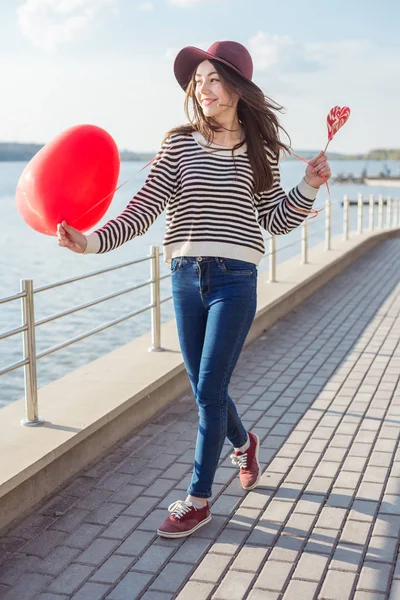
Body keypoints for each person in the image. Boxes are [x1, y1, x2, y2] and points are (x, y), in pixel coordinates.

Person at [57, 40, 331, 539]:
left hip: (236, 279)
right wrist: (92, 242)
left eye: (212, 78)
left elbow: (276, 218)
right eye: (197, 81)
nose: (202, 88)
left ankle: (198, 499)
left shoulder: (258, 150)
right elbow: (143, 209)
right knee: (207, 388)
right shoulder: (179, 144)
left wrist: (308, 185)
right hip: (185, 278)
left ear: (237, 87)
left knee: (208, 390)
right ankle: (244, 443)